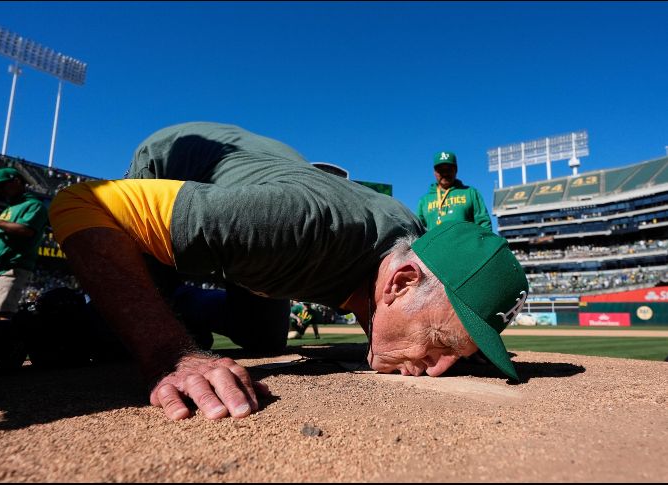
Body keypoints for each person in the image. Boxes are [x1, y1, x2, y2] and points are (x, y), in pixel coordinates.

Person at [48, 122, 528, 421]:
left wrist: (458, 338)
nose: (441, 368)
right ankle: (158, 308)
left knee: (265, 339)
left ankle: (191, 306)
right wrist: (169, 353)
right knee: (121, 335)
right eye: (442, 345)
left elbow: (423, 293)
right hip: (178, 162)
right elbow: (80, 203)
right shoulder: (294, 226)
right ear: (400, 282)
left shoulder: (415, 248)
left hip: (270, 194)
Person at [0, 168, 49, 320]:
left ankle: (6, 345)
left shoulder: (33, 205)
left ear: (17, 181)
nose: (0, 190)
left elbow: (26, 230)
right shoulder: (8, 209)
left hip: (11, 267)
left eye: (3, 185)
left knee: (3, 315)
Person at [416, 151, 492, 230]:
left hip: (465, 242)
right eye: (441, 170)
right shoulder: (424, 201)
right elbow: (418, 230)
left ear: (456, 170)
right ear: (434, 172)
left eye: (448, 169)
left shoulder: (471, 193)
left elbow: (484, 223)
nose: (445, 174)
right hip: (435, 242)